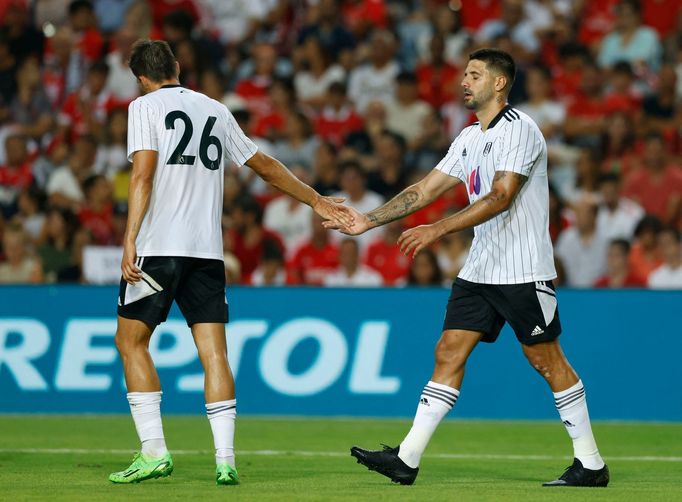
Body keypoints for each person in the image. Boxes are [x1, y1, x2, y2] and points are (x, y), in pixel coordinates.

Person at [327, 48, 609, 487]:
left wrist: (438, 230)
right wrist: (368, 220)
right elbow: (424, 190)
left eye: (474, 75)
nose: (464, 81)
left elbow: (501, 196)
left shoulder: (521, 130)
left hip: (521, 270)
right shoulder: (468, 137)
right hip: (480, 270)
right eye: (463, 74)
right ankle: (407, 458)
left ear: (499, 83)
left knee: (547, 362)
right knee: (448, 351)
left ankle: (590, 463)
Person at [109, 40, 352, 486]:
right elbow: (265, 166)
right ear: (178, 66)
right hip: (207, 251)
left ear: (140, 78)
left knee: (131, 342)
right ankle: (225, 460)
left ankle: (154, 452)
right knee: (215, 354)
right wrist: (316, 200)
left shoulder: (143, 107)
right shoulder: (217, 110)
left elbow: (142, 174)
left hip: (158, 246)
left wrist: (129, 240)